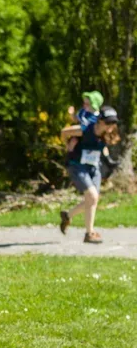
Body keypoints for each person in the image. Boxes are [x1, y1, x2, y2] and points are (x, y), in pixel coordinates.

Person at [59, 105, 120, 244]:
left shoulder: (108, 133)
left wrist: (110, 162)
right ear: (100, 121)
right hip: (77, 165)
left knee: (92, 200)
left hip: (93, 167)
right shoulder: (86, 129)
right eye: (108, 122)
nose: (112, 125)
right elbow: (64, 132)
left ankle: (67, 216)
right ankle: (89, 234)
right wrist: (68, 145)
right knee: (92, 196)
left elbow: (102, 147)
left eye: (113, 122)